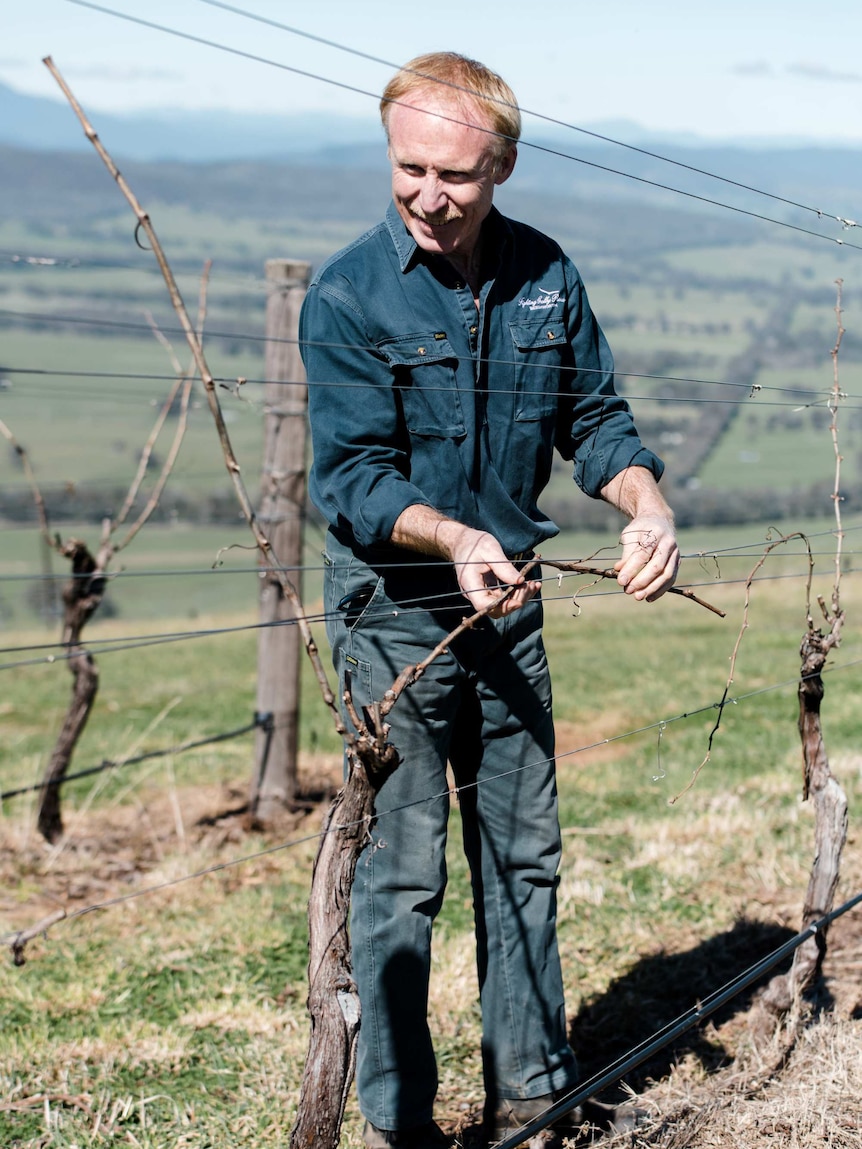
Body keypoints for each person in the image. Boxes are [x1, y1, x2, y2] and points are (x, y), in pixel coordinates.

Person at [299, 51, 679, 1149]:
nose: (427, 194)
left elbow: (595, 421)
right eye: (407, 167)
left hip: (513, 614)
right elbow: (354, 480)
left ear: (502, 164)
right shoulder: (347, 292)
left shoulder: (548, 276)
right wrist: (459, 537)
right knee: (399, 879)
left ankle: (535, 1100)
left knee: (523, 857)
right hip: (395, 624)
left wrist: (643, 504)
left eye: (454, 174)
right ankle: (399, 1125)